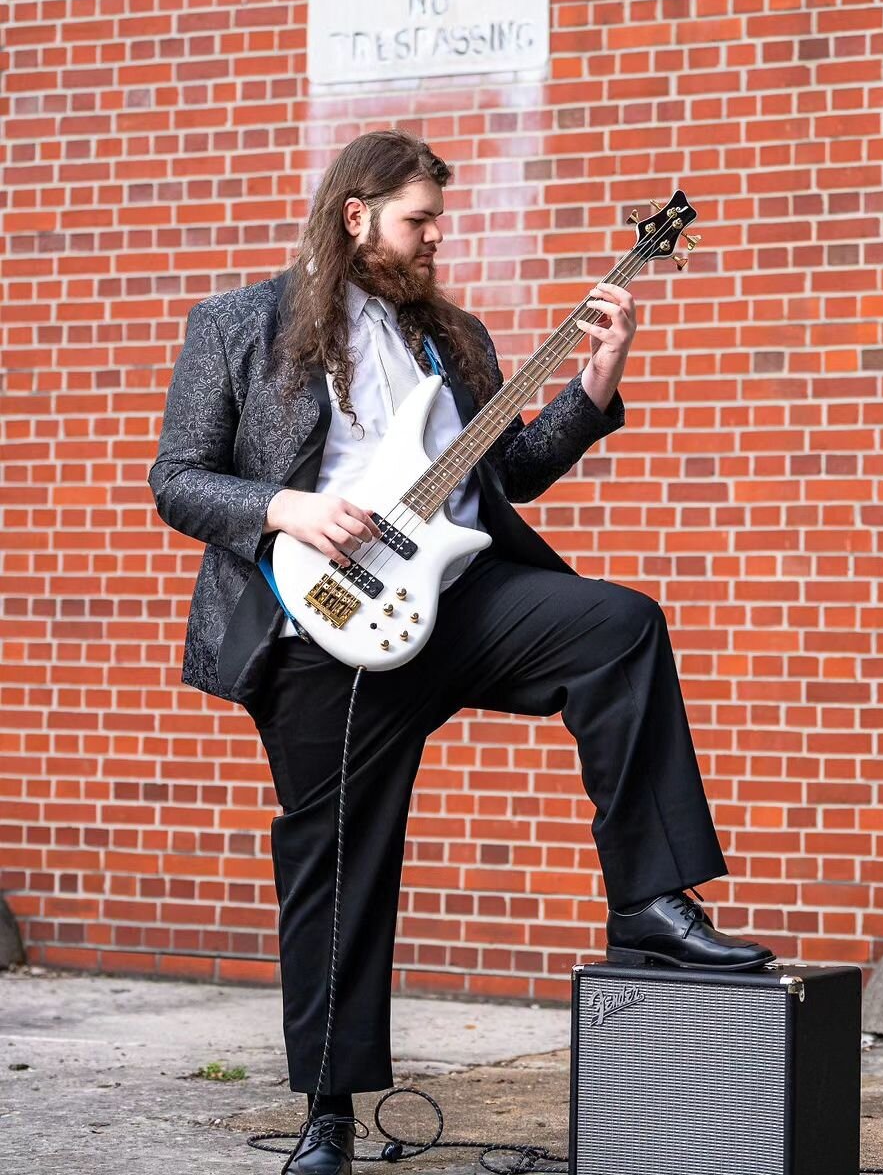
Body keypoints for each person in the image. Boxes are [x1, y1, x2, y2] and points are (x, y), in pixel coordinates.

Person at [148, 129, 774, 1175]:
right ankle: (329, 1114)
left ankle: (650, 902)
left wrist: (596, 379)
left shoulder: (457, 338)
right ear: (357, 217)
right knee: (339, 863)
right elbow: (176, 477)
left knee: (618, 625)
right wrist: (286, 508)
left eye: (438, 218)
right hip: (318, 623)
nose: (437, 236)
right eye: (418, 220)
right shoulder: (236, 326)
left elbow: (513, 473)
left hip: (456, 602)